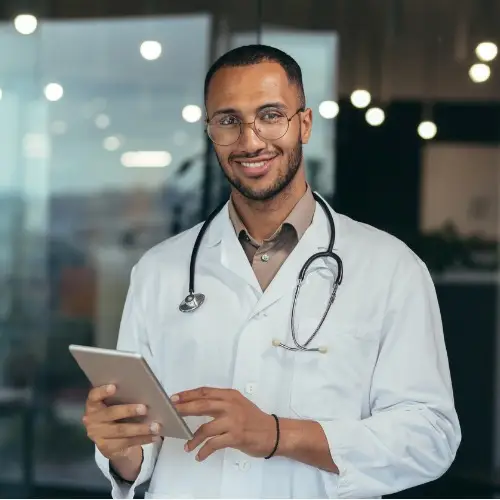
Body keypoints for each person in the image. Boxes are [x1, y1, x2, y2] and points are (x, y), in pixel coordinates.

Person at [83, 44, 461, 499]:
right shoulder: (160, 270)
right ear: (210, 131)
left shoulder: (390, 268)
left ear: (304, 123)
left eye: (270, 115)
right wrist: (119, 446)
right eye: (228, 120)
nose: (250, 140)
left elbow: (430, 438)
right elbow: (142, 451)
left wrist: (278, 435)